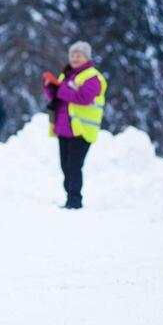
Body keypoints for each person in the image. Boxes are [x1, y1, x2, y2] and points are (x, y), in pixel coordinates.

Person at [43, 40, 107, 209]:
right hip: (63, 127)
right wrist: (51, 89)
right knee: (65, 165)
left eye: (79, 55)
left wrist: (61, 90)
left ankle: (74, 200)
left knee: (74, 165)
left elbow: (84, 98)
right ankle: (69, 196)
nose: (75, 58)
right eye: (73, 55)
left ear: (87, 58)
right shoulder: (66, 75)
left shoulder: (93, 77)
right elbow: (58, 98)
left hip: (82, 129)